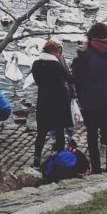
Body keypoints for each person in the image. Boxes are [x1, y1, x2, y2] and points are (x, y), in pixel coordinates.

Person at [72, 22, 107, 174]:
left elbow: (77, 80)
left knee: (92, 136)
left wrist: (81, 97)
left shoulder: (85, 56)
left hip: (91, 103)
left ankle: (96, 168)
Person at [30, 40, 75, 169]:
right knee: (59, 130)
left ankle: (37, 160)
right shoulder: (57, 66)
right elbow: (70, 79)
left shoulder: (36, 64)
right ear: (55, 52)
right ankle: (60, 158)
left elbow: (37, 80)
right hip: (58, 102)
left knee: (41, 133)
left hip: (43, 101)